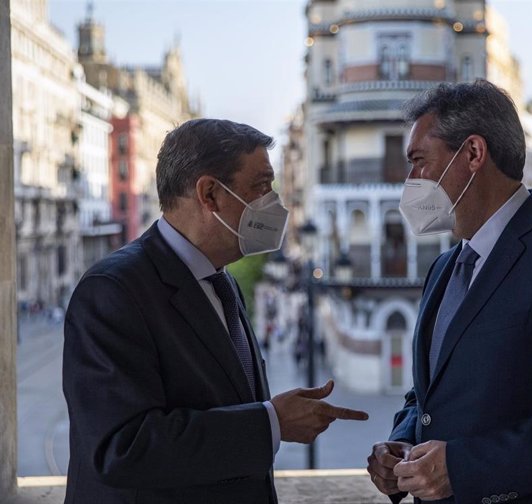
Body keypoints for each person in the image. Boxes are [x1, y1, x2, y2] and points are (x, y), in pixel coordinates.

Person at [63, 118, 368, 504]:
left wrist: (270, 414)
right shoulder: (113, 291)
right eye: (261, 187)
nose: (274, 201)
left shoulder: (221, 281)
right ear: (209, 194)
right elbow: (122, 447)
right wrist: (271, 422)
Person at [367, 80, 532, 504]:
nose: (411, 180)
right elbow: (430, 392)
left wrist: (462, 467)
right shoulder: (445, 266)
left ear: (473, 153)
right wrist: (403, 443)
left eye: (419, 161)